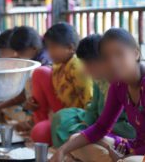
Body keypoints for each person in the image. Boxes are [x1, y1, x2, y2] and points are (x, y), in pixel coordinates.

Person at [50, 28, 145, 162]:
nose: (113, 63)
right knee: (74, 140)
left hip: (137, 153)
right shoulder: (118, 85)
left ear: (135, 53)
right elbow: (101, 127)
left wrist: (127, 156)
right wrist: (62, 150)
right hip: (134, 146)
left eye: (119, 54)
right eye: (106, 58)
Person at [29, 23, 92, 145]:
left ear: (70, 48)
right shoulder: (59, 65)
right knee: (40, 73)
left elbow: (89, 105)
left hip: (76, 119)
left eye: (53, 47)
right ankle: (42, 123)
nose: (49, 52)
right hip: (61, 113)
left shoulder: (78, 68)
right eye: (48, 47)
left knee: (39, 133)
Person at [0, 26, 51, 120]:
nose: (17, 55)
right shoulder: (34, 55)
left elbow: (23, 96)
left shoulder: (42, 64)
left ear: (33, 48)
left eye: (20, 52)